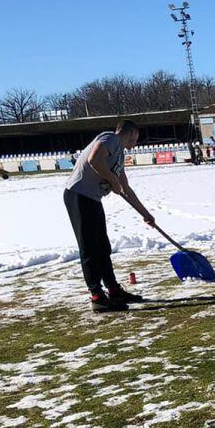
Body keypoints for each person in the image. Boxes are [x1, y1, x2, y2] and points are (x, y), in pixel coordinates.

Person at [63, 120, 154, 313]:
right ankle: (97, 296)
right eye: (135, 138)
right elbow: (94, 159)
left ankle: (113, 290)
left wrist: (146, 214)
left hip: (92, 199)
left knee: (102, 247)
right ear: (129, 134)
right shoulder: (110, 138)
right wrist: (112, 180)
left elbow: (126, 189)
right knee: (89, 248)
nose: (135, 143)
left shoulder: (119, 154)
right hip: (78, 196)